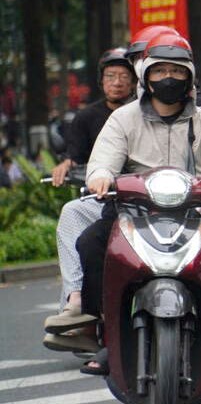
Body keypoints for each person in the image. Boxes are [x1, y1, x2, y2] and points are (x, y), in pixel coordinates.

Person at [76, 33, 201, 380]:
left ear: (189, 76)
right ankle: (109, 336)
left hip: (195, 215)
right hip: (132, 213)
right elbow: (104, 157)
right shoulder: (124, 119)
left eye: (177, 70)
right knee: (90, 243)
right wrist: (99, 176)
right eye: (160, 71)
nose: (168, 78)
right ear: (145, 76)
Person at [42, 47, 137, 353]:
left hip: (148, 199)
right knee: (72, 212)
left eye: (125, 76)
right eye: (112, 76)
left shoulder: (146, 111)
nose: (118, 82)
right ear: (101, 81)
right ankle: (77, 302)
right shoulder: (87, 117)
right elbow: (74, 155)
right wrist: (67, 165)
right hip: (105, 198)